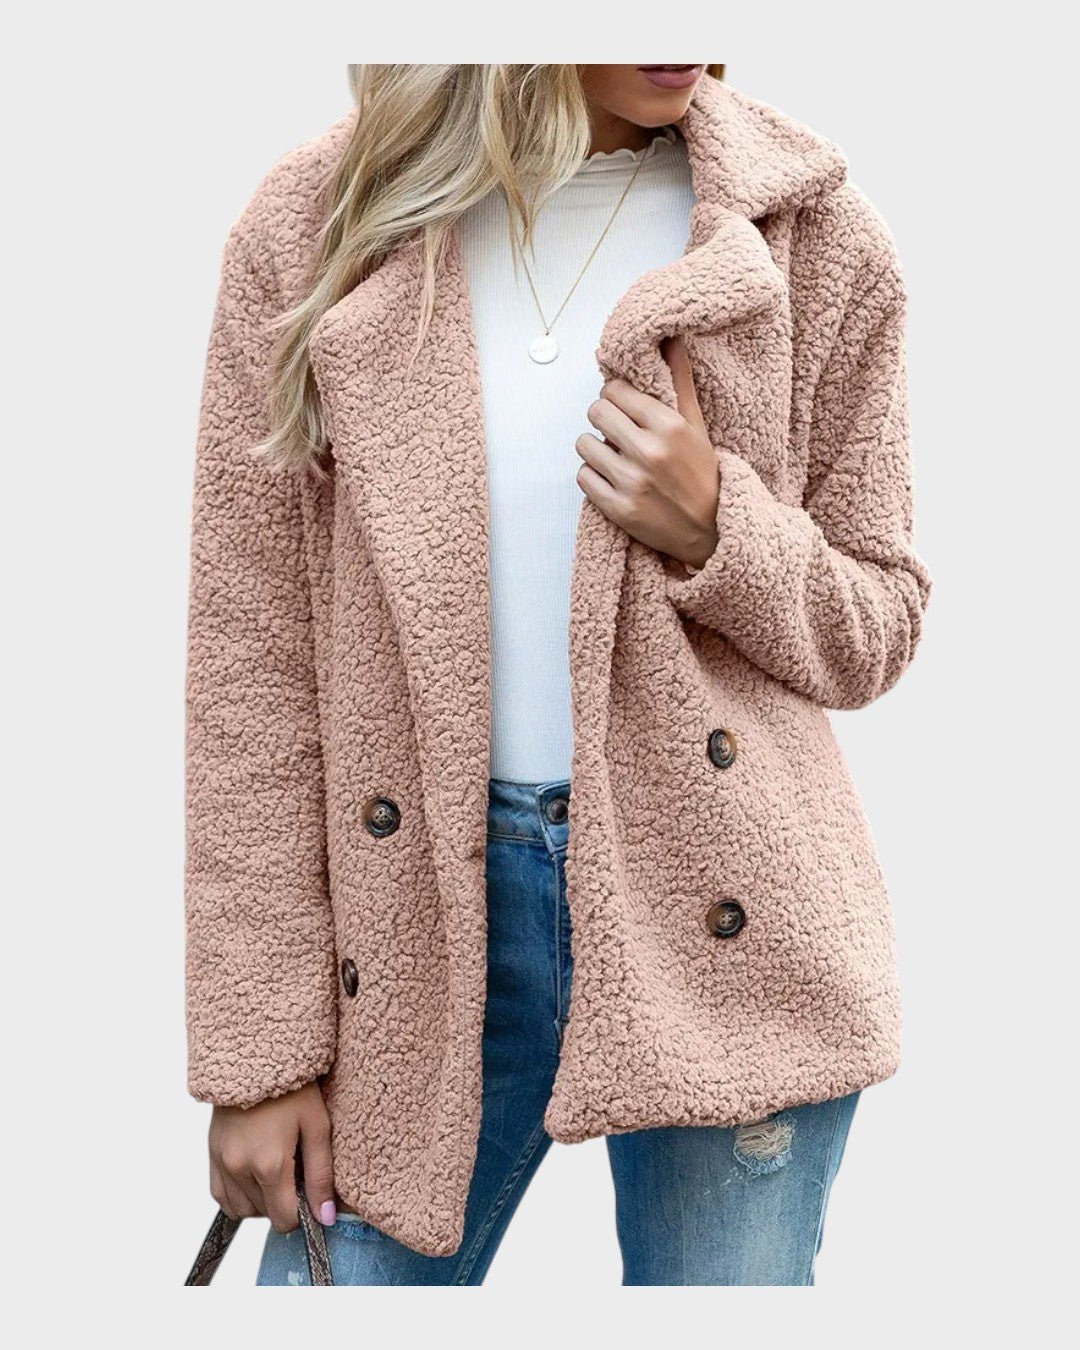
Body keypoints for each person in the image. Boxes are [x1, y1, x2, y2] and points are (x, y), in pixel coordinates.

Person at [185, 63, 931, 1285]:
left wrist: (720, 528)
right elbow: (251, 672)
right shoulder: (321, 224)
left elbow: (880, 620)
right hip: (416, 922)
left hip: (734, 924)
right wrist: (259, 1056)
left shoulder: (810, 230)